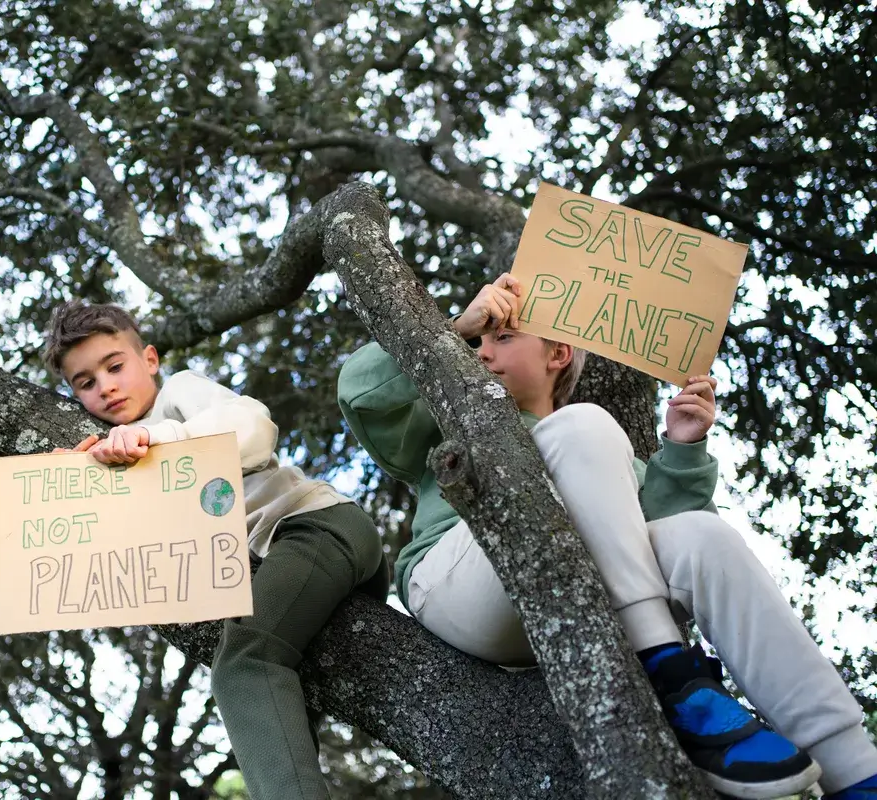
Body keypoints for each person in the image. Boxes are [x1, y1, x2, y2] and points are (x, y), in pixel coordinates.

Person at [337, 273, 877, 799]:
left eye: (503, 337)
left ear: (558, 353)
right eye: (479, 341)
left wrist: (683, 451)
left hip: (571, 607)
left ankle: (853, 767)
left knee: (702, 533)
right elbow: (358, 390)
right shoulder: (445, 419)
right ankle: (668, 671)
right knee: (582, 426)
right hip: (463, 587)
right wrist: (454, 329)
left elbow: (687, 550)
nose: (482, 352)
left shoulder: (605, 456)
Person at [44, 301, 387, 800]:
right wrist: (75, 481)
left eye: (115, 366)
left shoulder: (178, 395)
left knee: (244, 665)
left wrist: (155, 437)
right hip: (290, 569)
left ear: (151, 360)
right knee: (284, 716)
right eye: (86, 382)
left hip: (314, 526)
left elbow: (255, 428)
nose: (106, 387)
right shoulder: (112, 450)